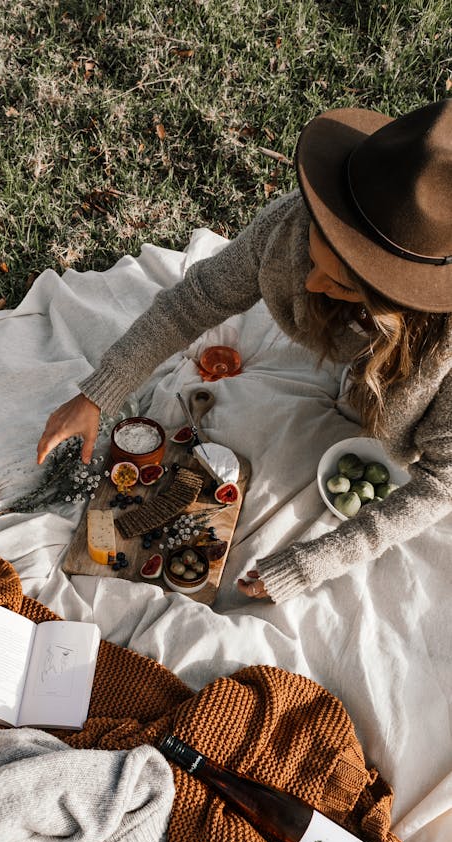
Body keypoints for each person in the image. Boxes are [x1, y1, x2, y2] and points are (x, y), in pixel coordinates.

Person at [36, 100, 452, 603]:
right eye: (316, 253)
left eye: (342, 285)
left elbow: (440, 483)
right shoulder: (290, 227)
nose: (312, 284)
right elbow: (194, 301)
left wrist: (310, 563)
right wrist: (101, 393)